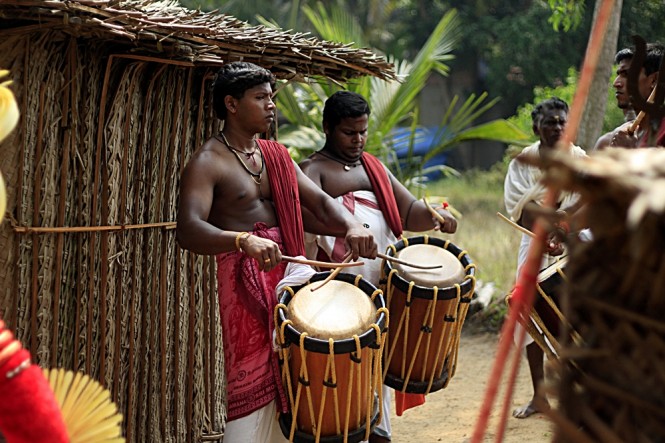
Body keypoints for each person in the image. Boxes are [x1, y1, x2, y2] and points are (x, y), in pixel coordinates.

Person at [176, 62, 378, 443]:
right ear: (231, 104)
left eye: (272, 97)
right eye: (260, 97)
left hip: (288, 277)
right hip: (241, 287)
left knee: (300, 374)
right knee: (250, 384)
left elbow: (318, 201)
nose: (271, 105)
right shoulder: (208, 162)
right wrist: (241, 240)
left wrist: (351, 226)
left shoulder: (276, 155)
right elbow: (188, 228)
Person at [298, 90, 458, 443]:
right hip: (336, 296)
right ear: (327, 128)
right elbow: (306, 223)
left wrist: (435, 216)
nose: (358, 140)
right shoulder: (312, 170)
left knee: (376, 372)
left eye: (363, 132)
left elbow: (408, 210)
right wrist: (348, 227)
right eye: (349, 133)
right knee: (344, 379)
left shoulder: (374, 166)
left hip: (383, 289)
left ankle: (379, 432)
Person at [503, 97, 586, 419]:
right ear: (536, 126)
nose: (557, 128)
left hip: (575, 240)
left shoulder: (580, 159)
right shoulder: (523, 163)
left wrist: (564, 231)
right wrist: (550, 233)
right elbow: (522, 211)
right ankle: (540, 396)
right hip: (533, 241)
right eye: (550, 122)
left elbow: (588, 203)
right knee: (531, 317)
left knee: (576, 314)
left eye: (562, 122)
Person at [599, 42, 665, 149]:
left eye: (627, 75)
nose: (616, 83)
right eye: (619, 74)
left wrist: (629, 152)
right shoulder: (615, 137)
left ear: (654, 80)